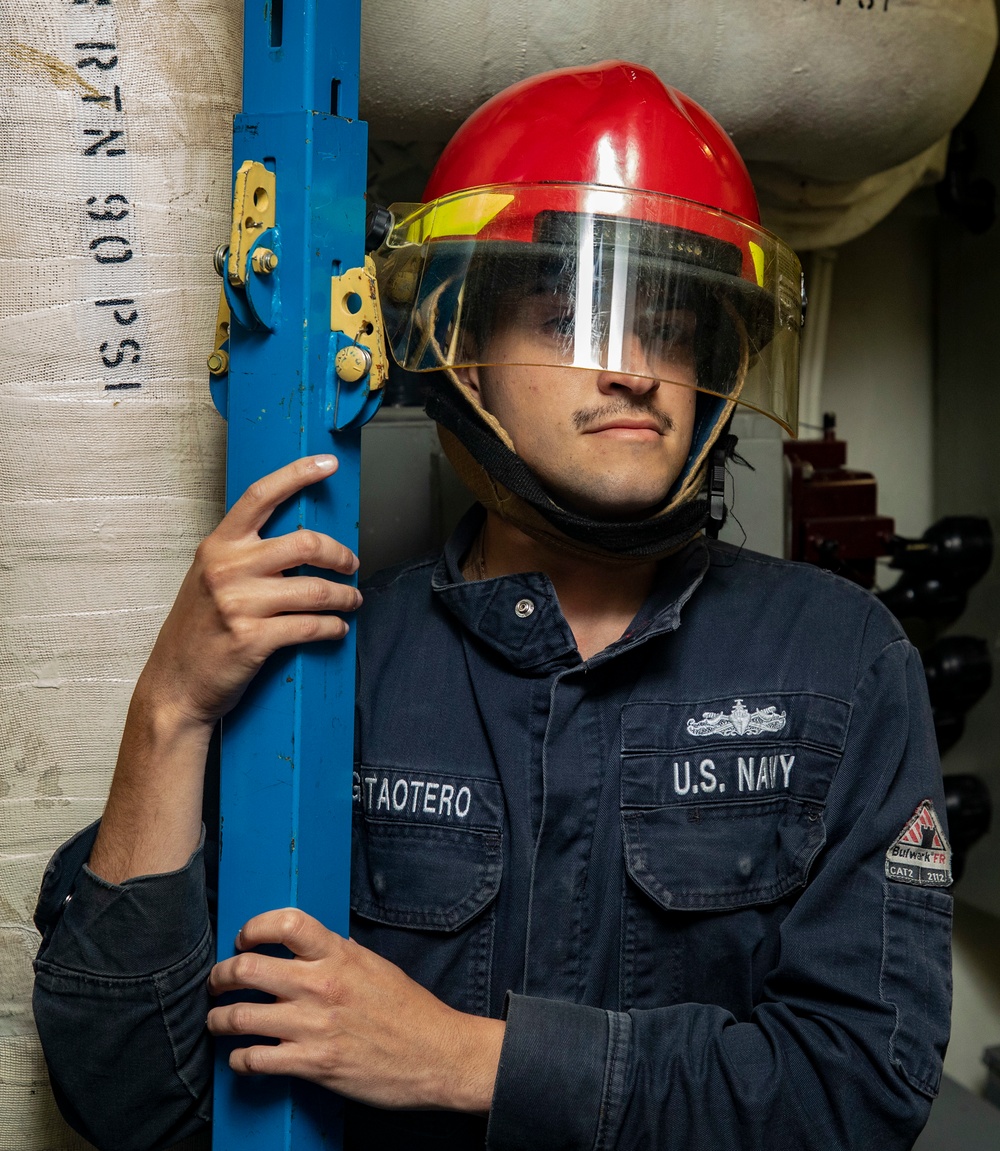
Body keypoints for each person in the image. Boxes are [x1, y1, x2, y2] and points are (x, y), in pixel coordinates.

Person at [32, 61, 951, 1151]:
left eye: (669, 326)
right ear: (459, 343)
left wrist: (462, 1058)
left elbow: (857, 1091)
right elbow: (136, 1093)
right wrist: (169, 707)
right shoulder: (334, 663)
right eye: (571, 313)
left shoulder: (842, 661)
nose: (632, 370)